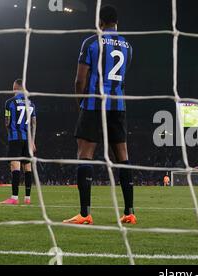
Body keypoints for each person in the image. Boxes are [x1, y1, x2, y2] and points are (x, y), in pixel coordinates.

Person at [63, 5, 135, 225]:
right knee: (122, 156)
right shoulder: (128, 46)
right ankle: (129, 212)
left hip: (94, 104)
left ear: (100, 22)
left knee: (85, 154)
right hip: (118, 106)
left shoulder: (91, 42)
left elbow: (79, 79)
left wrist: (80, 104)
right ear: (116, 22)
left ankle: (85, 214)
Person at [0, 79, 36, 205]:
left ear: (15, 88)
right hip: (28, 139)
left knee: (15, 166)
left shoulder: (9, 102)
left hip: (15, 138)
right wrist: (33, 141)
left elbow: (7, 122)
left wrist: (9, 131)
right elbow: (34, 124)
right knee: (27, 167)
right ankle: (27, 198)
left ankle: (14, 198)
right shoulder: (31, 104)